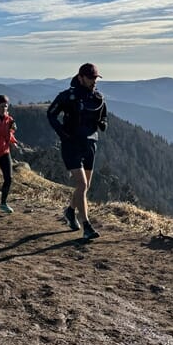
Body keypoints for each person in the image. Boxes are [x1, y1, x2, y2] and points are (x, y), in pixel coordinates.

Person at [47, 62, 108, 240]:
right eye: (90, 78)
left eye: (96, 78)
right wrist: (62, 132)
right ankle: (86, 225)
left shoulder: (98, 98)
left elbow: (104, 115)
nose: (94, 81)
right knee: (81, 185)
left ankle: (70, 211)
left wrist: (103, 123)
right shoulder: (67, 96)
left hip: (90, 144)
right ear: (80, 77)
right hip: (71, 144)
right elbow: (51, 114)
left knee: (85, 186)